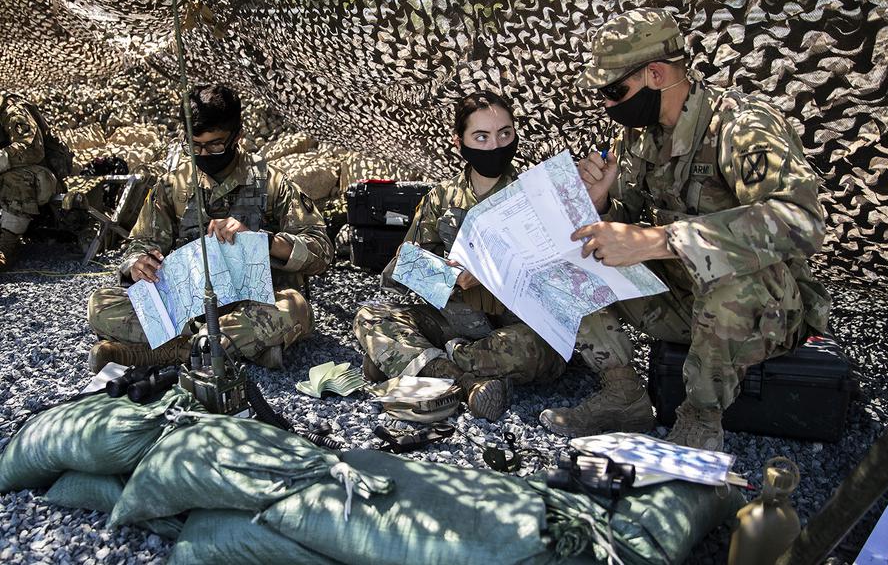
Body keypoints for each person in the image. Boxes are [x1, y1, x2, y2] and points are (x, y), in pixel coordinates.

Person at [539, 8, 831, 450]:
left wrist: (660, 240)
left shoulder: (740, 125)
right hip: (681, 300)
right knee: (575, 255)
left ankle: (700, 419)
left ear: (656, 74)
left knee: (730, 277)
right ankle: (623, 395)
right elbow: (628, 226)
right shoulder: (638, 135)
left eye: (614, 90)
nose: (607, 104)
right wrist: (602, 204)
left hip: (764, 310)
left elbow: (800, 221)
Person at [86, 84, 333, 372]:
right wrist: (137, 265)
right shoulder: (170, 187)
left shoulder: (272, 182)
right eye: (195, 145)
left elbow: (322, 251)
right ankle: (219, 348)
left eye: (215, 145)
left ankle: (159, 351)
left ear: (237, 137)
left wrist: (263, 241)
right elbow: (139, 243)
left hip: (254, 305)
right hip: (188, 307)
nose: (203, 153)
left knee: (295, 307)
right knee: (101, 303)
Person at [353, 91, 566, 421]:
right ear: (460, 142)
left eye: (504, 134)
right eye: (481, 137)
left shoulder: (534, 193)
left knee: (544, 347)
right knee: (370, 317)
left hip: (514, 330)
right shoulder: (442, 197)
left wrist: (498, 270)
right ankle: (466, 384)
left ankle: (411, 361)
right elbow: (404, 266)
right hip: (454, 321)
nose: (495, 145)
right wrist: (451, 276)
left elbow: (563, 279)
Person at [0, 92, 63, 270]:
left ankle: (6, 245)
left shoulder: (13, 111)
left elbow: (32, 149)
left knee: (15, 179)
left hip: (45, 175)